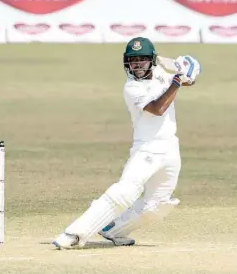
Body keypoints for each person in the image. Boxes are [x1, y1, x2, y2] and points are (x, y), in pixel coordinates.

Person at [53, 37, 200, 249]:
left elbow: (190, 78)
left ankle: (114, 230)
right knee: (125, 192)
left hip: (170, 149)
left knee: (157, 205)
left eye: (142, 59)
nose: (137, 64)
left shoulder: (161, 72)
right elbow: (158, 109)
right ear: (127, 63)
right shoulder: (132, 88)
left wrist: (188, 70)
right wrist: (177, 81)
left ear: (151, 60)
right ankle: (74, 234)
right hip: (147, 149)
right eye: (133, 60)